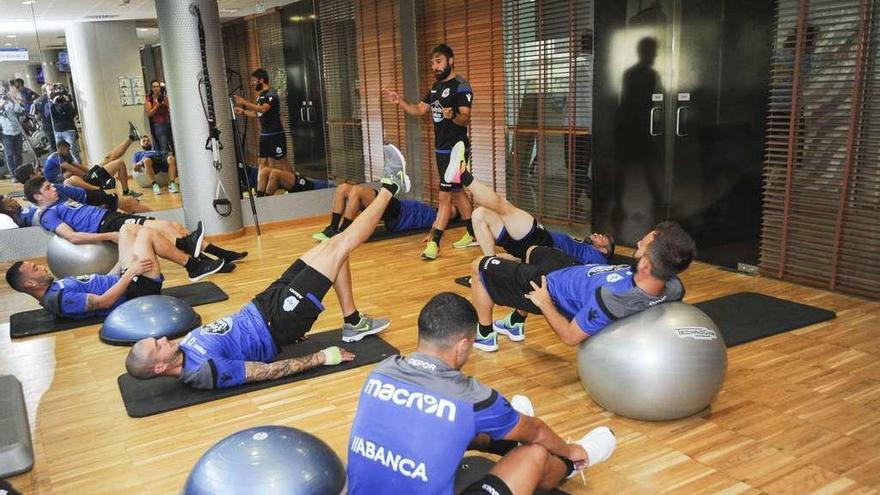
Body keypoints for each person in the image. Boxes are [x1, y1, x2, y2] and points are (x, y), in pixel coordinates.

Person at [122, 157, 412, 390]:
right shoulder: (202, 371)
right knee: (341, 244)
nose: (162, 338)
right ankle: (389, 188)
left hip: (262, 305)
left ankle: (353, 322)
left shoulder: (182, 350)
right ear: (160, 367)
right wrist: (320, 357)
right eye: (157, 345)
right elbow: (263, 372)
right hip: (279, 321)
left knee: (334, 249)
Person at [346, 292, 617, 495]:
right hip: (525, 434)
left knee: (450, 428)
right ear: (463, 345)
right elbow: (535, 430)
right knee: (533, 453)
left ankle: (510, 439)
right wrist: (570, 449)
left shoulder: (381, 370)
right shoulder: (470, 396)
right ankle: (576, 464)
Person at [469, 219, 696, 352]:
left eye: (642, 244)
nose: (637, 242)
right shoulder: (672, 284)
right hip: (570, 269)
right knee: (532, 251)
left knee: (479, 265)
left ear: (646, 265)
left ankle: (485, 335)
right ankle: (515, 322)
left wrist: (545, 303)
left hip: (550, 287)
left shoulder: (611, 299)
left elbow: (570, 337)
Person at [24, 177, 242, 279]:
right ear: (37, 196)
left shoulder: (60, 197)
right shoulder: (48, 215)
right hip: (106, 225)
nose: (52, 187)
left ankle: (207, 259)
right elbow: (72, 237)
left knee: (171, 226)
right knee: (165, 227)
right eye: (47, 187)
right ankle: (197, 258)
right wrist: (109, 235)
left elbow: (74, 184)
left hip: (110, 216)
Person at [382, 44, 475, 259]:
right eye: (433, 62)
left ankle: (434, 243)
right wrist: (400, 101)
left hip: (456, 149)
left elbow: (465, 118)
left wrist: (452, 116)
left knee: (444, 196)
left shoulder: (461, 86)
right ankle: (473, 233)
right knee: (457, 192)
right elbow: (419, 110)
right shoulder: (435, 87)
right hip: (441, 149)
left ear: (451, 60)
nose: (435, 66)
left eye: (439, 61)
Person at [4, 223, 211, 320]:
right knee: (146, 234)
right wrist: (130, 273)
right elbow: (104, 302)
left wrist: (122, 265)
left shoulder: (54, 289)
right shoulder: (60, 299)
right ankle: (192, 265)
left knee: (127, 229)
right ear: (30, 284)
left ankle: (191, 259)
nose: (41, 266)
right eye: (35, 269)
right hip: (136, 292)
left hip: (125, 279)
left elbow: (103, 282)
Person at [312, 182, 454, 242]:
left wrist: (433, 232)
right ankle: (332, 228)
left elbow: (437, 227)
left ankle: (342, 231)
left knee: (356, 191)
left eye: (451, 211)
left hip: (397, 215)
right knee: (343, 188)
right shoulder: (434, 211)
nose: (447, 209)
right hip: (398, 207)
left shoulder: (435, 217)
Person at [12, 165, 151, 215]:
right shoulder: (41, 195)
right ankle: (156, 218)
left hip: (88, 195)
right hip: (89, 199)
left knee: (129, 203)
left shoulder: (37, 190)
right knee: (130, 203)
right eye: (36, 171)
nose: (39, 171)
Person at [43, 131, 142, 197]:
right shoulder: (55, 157)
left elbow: (78, 166)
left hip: (83, 179)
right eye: (67, 149)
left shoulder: (64, 156)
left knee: (107, 158)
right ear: (60, 148)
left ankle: (131, 137)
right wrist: (89, 175)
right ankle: (126, 192)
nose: (69, 151)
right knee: (119, 163)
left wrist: (91, 170)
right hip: (78, 183)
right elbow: (73, 170)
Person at [233, 69, 290, 173]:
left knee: (282, 162)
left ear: (261, 80)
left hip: (275, 135)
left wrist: (244, 102)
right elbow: (257, 113)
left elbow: (263, 109)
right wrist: (243, 112)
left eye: (254, 80)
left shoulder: (271, 94)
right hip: (264, 135)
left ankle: (295, 187)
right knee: (261, 161)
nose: (252, 83)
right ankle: (262, 189)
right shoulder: (260, 96)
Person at [48, 83, 81, 164]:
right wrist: (53, 103)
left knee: (73, 151)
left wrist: (67, 102)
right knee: (60, 152)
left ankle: (80, 168)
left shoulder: (67, 103)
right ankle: (68, 168)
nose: (59, 96)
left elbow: (73, 114)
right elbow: (50, 117)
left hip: (68, 130)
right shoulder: (52, 105)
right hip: (57, 131)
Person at [0, 84, 25, 181]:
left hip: (17, 131)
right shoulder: (2, 102)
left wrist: (14, 100)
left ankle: (20, 174)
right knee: (9, 154)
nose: (3, 94)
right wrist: (4, 101)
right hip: (6, 133)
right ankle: (13, 175)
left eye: (3, 92)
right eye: (1, 92)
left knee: (18, 153)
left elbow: (20, 110)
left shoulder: (11, 101)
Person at [255, 166, 331, 197]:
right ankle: (259, 198)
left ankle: (262, 201)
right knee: (265, 171)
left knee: (275, 173)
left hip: (310, 185)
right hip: (301, 183)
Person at [144, 80, 173, 152]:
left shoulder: (164, 97)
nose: (156, 88)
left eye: (157, 86)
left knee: (174, 143)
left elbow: (172, 108)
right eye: (154, 87)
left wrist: (165, 102)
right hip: (158, 125)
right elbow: (149, 114)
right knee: (163, 146)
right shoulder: (149, 99)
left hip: (168, 122)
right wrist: (157, 105)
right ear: (151, 88)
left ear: (160, 88)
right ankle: (165, 162)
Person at [31, 83, 57, 152]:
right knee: (56, 145)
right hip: (51, 126)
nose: (53, 91)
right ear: (45, 91)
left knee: (54, 145)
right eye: (51, 89)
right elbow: (37, 116)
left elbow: (36, 117)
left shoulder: (37, 101)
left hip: (49, 125)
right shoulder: (39, 101)